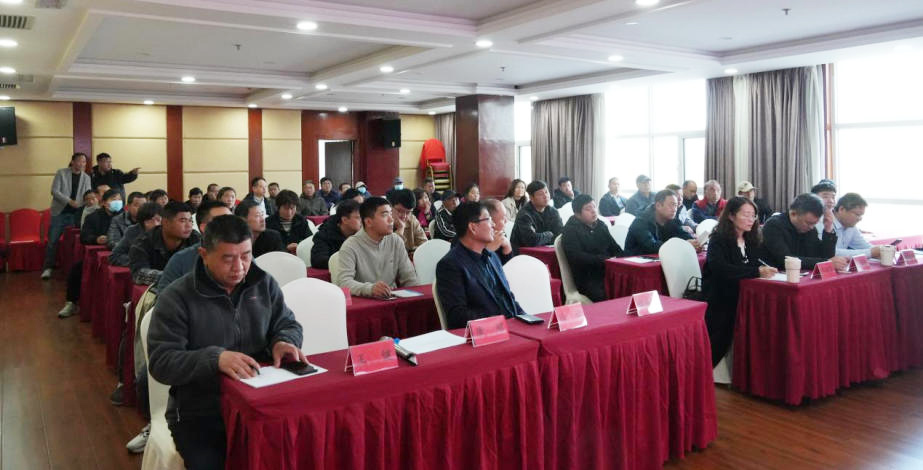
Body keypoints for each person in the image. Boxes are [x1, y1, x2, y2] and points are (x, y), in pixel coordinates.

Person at [148, 215, 304, 470]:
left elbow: (287, 323)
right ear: (204, 255)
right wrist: (215, 359)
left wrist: (284, 341)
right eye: (228, 259)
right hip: (201, 412)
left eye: (246, 256)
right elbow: (161, 361)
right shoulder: (177, 297)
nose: (239, 267)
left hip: (261, 401)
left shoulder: (263, 283)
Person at [702, 197, 778, 366]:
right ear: (731, 216)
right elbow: (721, 269)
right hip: (721, 297)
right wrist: (756, 271)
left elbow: (758, 262)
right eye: (746, 215)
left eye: (753, 215)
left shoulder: (751, 239)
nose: (751, 220)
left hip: (745, 295)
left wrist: (765, 269)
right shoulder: (718, 239)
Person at [435, 201, 527, 329]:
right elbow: (458, 316)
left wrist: (526, 319)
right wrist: (498, 321)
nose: (493, 225)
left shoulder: (492, 257)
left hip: (510, 327)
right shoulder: (450, 265)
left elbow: (508, 299)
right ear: (473, 227)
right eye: (489, 220)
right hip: (488, 332)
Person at [333, 197, 420, 298]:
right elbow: (344, 282)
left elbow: (409, 277)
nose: (391, 219)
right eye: (385, 215)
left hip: (392, 298)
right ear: (368, 222)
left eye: (391, 214)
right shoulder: (350, 246)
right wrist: (370, 289)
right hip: (365, 302)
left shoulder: (395, 241)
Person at [58, 189, 123, 318]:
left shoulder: (124, 216)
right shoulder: (93, 217)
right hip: (98, 255)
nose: (117, 202)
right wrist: (96, 239)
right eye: (113, 199)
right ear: (103, 203)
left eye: (119, 199)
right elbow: (84, 237)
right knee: (76, 270)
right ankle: (71, 303)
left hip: (119, 255)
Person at [155, 200, 233, 292]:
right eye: (223, 222)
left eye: (233, 220)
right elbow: (164, 297)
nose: (232, 226)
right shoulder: (181, 260)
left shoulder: (243, 255)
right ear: (205, 228)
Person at [561, 194, 623, 301]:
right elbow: (577, 257)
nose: (594, 211)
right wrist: (604, 259)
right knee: (605, 294)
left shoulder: (601, 225)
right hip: (588, 277)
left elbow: (615, 248)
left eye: (594, 206)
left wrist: (622, 257)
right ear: (577, 213)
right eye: (588, 209)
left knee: (627, 286)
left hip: (607, 271)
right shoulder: (570, 230)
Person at [762, 193, 846, 270]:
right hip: (775, 275)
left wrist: (828, 229)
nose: (811, 227)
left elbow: (824, 256)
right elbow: (786, 260)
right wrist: (825, 262)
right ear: (793, 213)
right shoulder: (773, 226)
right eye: (808, 223)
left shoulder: (810, 229)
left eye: (814, 223)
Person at [129, 201, 200, 286]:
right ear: (165, 222)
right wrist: (174, 276)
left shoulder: (195, 238)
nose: (189, 225)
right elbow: (139, 273)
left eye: (191, 221)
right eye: (182, 221)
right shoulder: (143, 242)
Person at [624, 189, 699, 256]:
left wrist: (694, 243)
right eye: (671, 205)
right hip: (634, 262)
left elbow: (684, 235)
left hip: (659, 259)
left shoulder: (672, 220)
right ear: (658, 205)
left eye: (676, 205)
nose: (674, 209)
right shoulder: (641, 221)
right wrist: (683, 245)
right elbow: (651, 246)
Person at [511, 180, 563, 251]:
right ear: (531, 198)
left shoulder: (553, 211)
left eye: (546, 192)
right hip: (524, 253)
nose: (545, 196)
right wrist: (549, 234)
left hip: (547, 249)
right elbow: (531, 240)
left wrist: (541, 238)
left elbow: (560, 235)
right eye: (540, 194)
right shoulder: (524, 215)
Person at [311, 200, 361, 269]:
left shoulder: (364, 234)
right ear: (345, 220)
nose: (362, 221)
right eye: (358, 218)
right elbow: (318, 260)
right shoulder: (325, 235)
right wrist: (348, 262)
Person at [110, 202, 162, 267]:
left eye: (158, 220)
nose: (156, 224)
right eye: (150, 221)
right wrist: (137, 260)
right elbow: (114, 256)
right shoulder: (133, 231)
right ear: (142, 222)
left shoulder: (165, 231)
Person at [832, 193, 881, 258]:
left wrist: (882, 251)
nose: (860, 219)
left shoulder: (850, 226)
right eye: (857, 215)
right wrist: (871, 253)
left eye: (861, 215)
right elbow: (832, 253)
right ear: (841, 209)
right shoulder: (826, 223)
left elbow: (864, 246)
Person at [389, 189, 427, 255]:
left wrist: (413, 253)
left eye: (408, 212)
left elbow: (425, 245)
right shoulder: (382, 223)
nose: (404, 216)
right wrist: (400, 229)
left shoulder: (412, 220)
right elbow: (389, 253)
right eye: (399, 211)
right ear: (390, 208)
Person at [483, 199, 514, 264]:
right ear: (490, 221)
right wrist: (488, 250)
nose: (506, 221)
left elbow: (509, 265)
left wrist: (507, 246)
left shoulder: (500, 234)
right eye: (503, 218)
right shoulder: (478, 239)